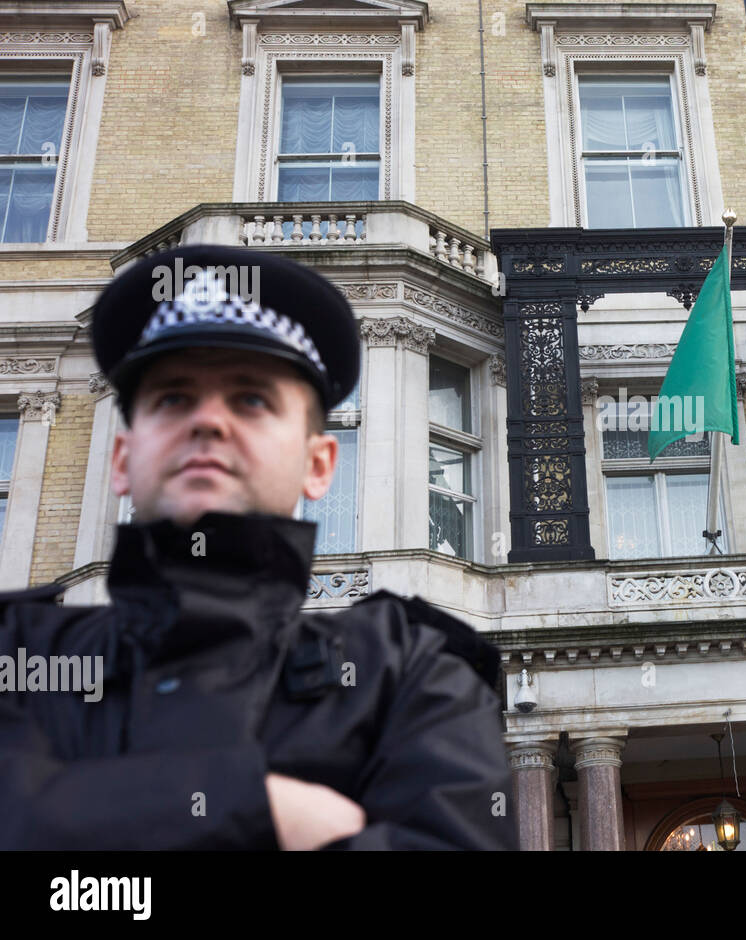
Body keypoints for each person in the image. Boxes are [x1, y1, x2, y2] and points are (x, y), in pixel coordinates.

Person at [0, 245, 518, 850]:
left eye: (251, 399)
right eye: (173, 399)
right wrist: (259, 806)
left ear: (318, 463)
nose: (209, 423)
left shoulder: (410, 673)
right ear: (122, 458)